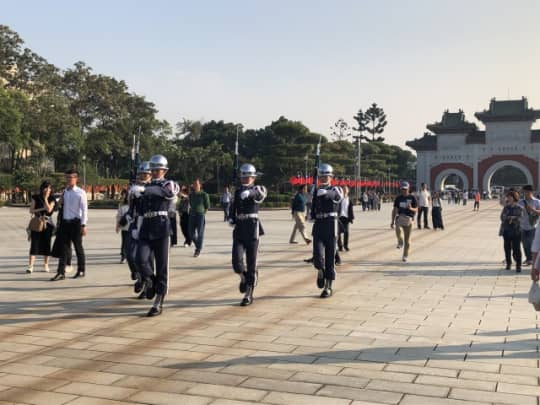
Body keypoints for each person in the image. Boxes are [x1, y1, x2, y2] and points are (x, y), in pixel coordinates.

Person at [134, 154, 179, 316]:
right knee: (140, 259)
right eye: (152, 169)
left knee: (162, 266)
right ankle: (150, 280)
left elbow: (168, 193)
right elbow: (139, 210)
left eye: (158, 170)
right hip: (146, 226)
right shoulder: (143, 187)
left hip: (162, 228)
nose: (154, 172)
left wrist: (144, 189)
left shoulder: (169, 183)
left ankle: (158, 302)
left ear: (164, 171)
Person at [228, 163, 267, 306]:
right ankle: (243, 277)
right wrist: (231, 217)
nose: (246, 180)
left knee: (251, 262)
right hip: (239, 227)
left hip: (252, 228)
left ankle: (249, 293)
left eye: (248, 177)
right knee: (236, 262)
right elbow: (233, 206)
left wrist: (249, 193)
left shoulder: (258, 188)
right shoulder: (237, 191)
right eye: (243, 177)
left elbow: (260, 194)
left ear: (253, 178)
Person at [310, 163, 343, 298]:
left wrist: (327, 192)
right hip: (319, 224)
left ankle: (328, 287)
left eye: (326, 177)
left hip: (331, 225)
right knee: (317, 256)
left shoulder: (336, 189)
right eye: (322, 177)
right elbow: (312, 203)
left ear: (331, 177)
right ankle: (320, 270)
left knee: (330, 257)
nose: (324, 179)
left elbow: (338, 196)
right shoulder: (316, 190)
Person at [50, 169, 88, 281]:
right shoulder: (65, 191)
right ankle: (61, 272)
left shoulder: (81, 192)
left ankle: (81, 270)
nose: (68, 180)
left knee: (78, 247)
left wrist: (83, 225)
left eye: (70, 177)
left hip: (76, 223)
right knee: (64, 249)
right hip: (65, 224)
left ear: (76, 178)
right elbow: (59, 206)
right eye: (67, 177)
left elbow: (84, 210)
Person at [128, 161, 153, 298]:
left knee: (147, 258)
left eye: (146, 174)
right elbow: (131, 208)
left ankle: (147, 284)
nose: (143, 176)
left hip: (148, 223)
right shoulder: (134, 188)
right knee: (130, 254)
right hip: (135, 222)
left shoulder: (154, 187)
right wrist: (123, 220)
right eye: (141, 174)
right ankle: (138, 276)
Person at [27, 180, 57, 273]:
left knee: (46, 244)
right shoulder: (35, 197)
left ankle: (46, 265)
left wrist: (46, 198)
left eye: (49, 188)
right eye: (46, 187)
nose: (47, 189)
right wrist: (42, 208)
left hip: (47, 224)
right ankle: (31, 266)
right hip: (37, 222)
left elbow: (49, 210)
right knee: (34, 244)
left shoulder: (52, 198)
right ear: (42, 188)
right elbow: (31, 210)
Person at [391, 181, 418, 262]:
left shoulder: (412, 198)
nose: (404, 190)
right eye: (402, 189)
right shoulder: (398, 198)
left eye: (405, 189)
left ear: (408, 189)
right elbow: (395, 209)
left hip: (409, 219)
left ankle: (405, 255)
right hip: (400, 217)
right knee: (397, 229)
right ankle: (400, 241)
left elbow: (416, 209)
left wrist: (410, 208)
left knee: (408, 241)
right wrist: (392, 221)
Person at [500, 191, 524, 272]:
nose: (508, 198)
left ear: (514, 198)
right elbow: (502, 217)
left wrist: (513, 218)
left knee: (516, 248)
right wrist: (507, 218)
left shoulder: (520, 208)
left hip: (516, 231)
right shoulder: (506, 207)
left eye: (510, 197)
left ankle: (518, 265)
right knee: (507, 248)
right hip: (506, 230)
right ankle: (508, 263)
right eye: (508, 197)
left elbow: (521, 218)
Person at [518, 185, 540, 266]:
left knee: (531, 243)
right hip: (522, 226)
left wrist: (533, 210)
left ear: (531, 192)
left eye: (527, 191)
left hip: (533, 226)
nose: (525, 193)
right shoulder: (520, 202)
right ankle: (528, 258)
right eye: (524, 192)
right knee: (525, 244)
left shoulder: (537, 202)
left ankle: (531, 259)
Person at [188, 179, 210, 258]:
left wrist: (202, 213)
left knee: (200, 233)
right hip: (192, 215)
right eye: (194, 184)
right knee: (191, 233)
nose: (195, 186)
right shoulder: (191, 194)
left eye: (197, 184)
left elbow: (207, 206)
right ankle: (199, 245)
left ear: (200, 185)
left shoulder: (204, 194)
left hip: (200, 215)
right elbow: (190, 203)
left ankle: (197, 250)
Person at [337, 185, 354, 251]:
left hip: (346, 217)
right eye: (343, 189)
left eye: (346, 189)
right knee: (338, 233)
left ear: (348, 191)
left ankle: (346, 245)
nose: (344, 190)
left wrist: (351, 218)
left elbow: (351, 209)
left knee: (346, 232)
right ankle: (340, 246)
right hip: (339, 217)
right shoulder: (339, 198)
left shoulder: (349, 199)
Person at [115, 190, 130, 264]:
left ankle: (130, 256)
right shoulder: (121, 205)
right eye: (122, 195)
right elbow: (118, 216)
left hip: (132, 226)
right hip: (124, 226)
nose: (123, 196)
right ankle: (123, 256)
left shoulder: (132, 204)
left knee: (131, 243)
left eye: (125, 195)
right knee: (124, 242)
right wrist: (117, 226)